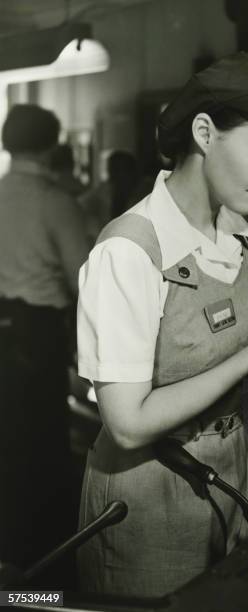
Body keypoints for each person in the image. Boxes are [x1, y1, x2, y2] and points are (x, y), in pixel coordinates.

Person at [77, 51, 248, 598]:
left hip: (234, 480)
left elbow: (238, 355)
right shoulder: (128, 251)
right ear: (204, 132)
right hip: (148, 502)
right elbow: (126, 423)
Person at [0, 104, 89, 576]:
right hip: (37, 335)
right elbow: (85, 278)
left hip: (2, 327)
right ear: (53, 146)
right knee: (42, 444)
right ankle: (43, 565)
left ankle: (9, 554)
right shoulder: (53, 200)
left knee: (6, 439)